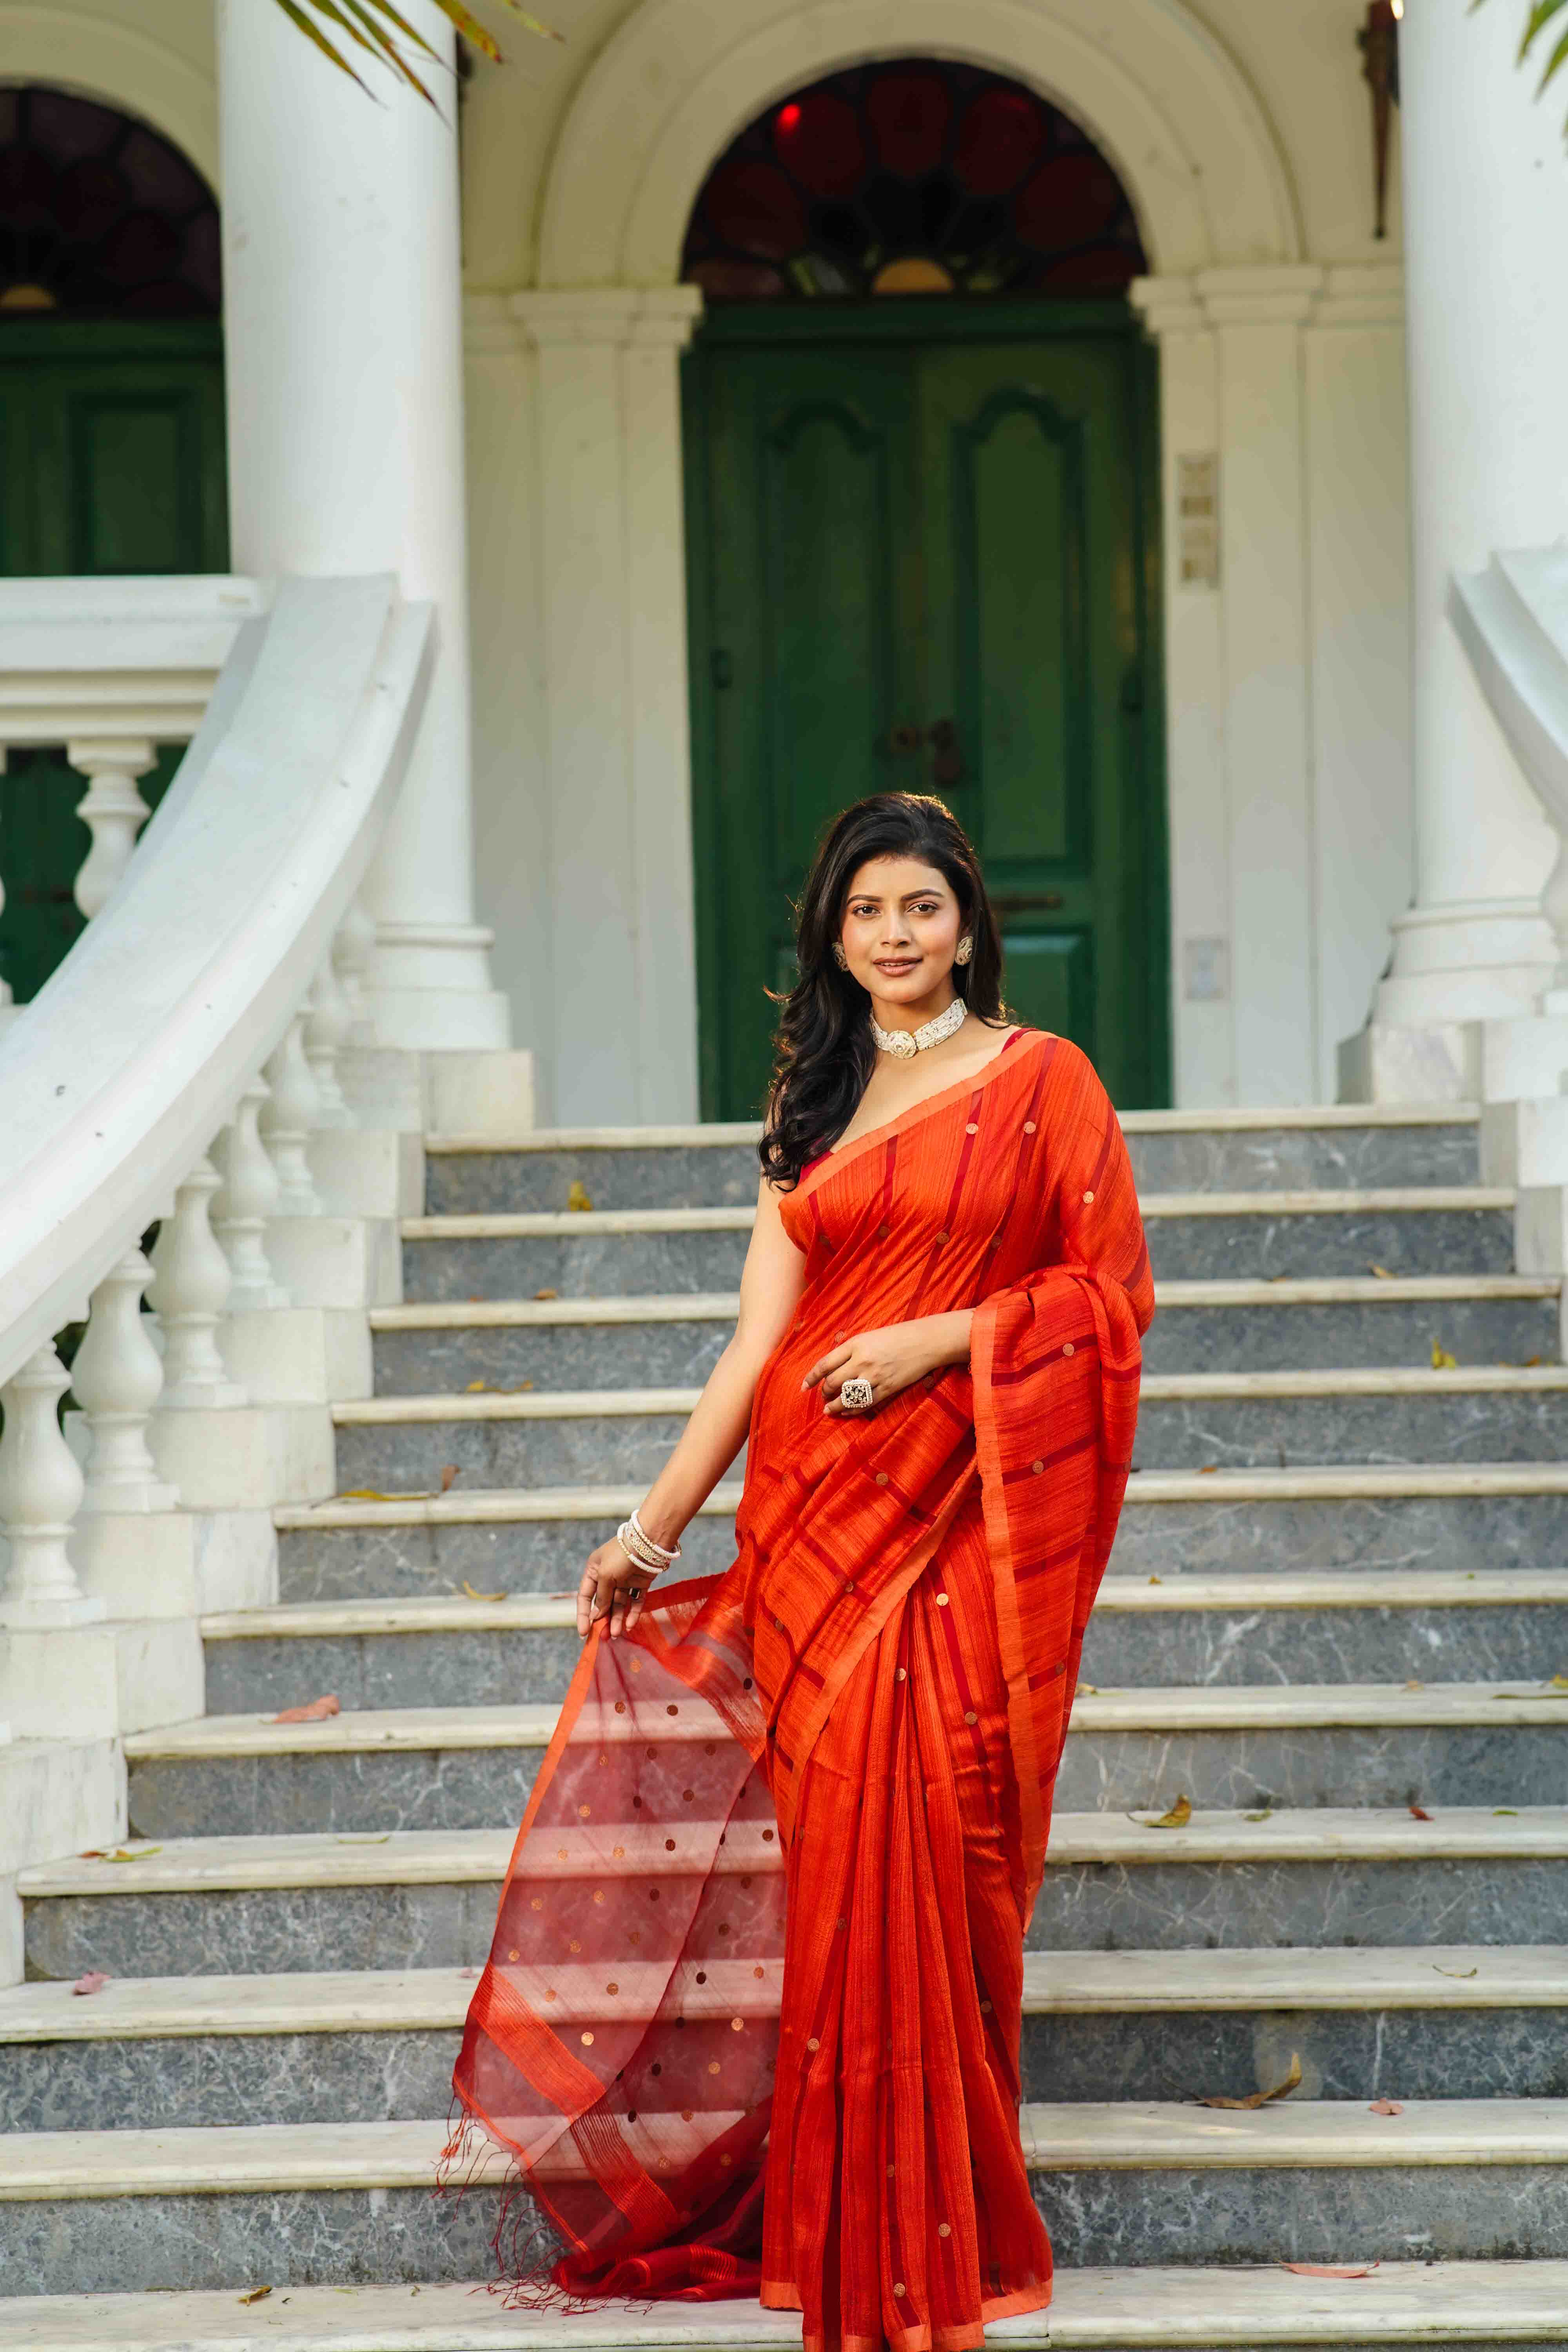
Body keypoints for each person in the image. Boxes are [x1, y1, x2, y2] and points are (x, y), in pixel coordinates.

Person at [447, 791, 1153, 2351]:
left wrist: (945, 1338)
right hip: (814, 1528)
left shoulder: (1047, 1085)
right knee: (846, 1883)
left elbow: (1104, 1307)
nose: (895, 937)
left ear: (968, 918)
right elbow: (755, 1343)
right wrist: (651, 1530)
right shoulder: (812, 1102)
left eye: (920, 907)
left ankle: (941, 2230)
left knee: (944, 1849)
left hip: (958, 1520)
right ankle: (846, 2233)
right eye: (865, 915)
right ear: (831, 938)